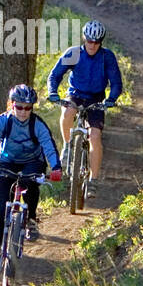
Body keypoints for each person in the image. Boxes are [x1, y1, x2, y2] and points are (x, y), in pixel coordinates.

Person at [0, 83, 62, 272]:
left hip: (32, 162)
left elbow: (48, 146)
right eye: (19, 107)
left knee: (31, 183)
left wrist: (56, 167)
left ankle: (31, 219)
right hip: (7, 162)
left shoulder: (37, 124)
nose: (24, 112)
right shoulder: (3, 121)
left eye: (28, 108)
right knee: (2, 206)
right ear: (11, 104)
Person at [46, 19, 121, 195]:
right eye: (89, 41)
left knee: (95, 136)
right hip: (76, 94)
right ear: (84, 38)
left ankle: (93, 180)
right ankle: (67, 145)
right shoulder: (73, 53)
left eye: (96, 42)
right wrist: (53, 93)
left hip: (96, 98)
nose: (92, 45)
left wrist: (111, 98)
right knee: (68, 111)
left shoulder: (106, 57)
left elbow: (116, 83)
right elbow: (54, 76)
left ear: (101, 41)